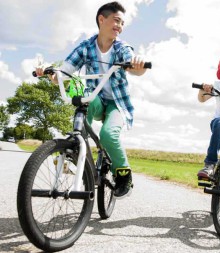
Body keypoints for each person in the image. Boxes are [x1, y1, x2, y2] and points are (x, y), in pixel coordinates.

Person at [35, 1, 148, 198]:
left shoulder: (121, 48)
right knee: (80, 103)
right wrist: (49, 72)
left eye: (122, 23)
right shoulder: (86, 47)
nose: (119, 27)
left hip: (117, 103)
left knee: (108, 135)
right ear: (101, 19)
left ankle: (123, 175)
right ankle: (78, 154)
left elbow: (135, 68)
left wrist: (138, 64)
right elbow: (63, 73)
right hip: (94, 97)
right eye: (116, 21)